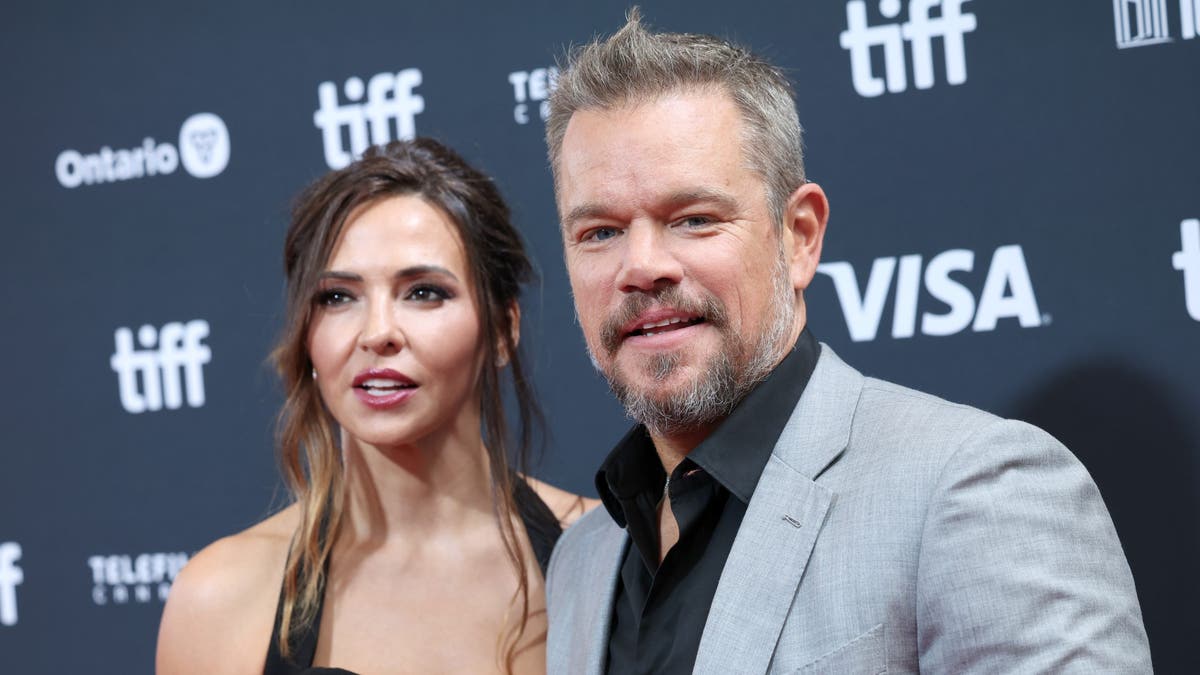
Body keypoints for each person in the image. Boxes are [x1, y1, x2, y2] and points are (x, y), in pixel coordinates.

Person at [543, 10, 1152, 674]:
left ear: (799, 237)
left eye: (693, 218)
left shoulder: (971, 488)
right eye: (599, 231)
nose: (641, 266)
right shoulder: (582, 560)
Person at [156, 138, 594, 674]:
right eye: (338, 297)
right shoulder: (219, 597)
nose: (377, 332)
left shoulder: (604, 558)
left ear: (502, 330)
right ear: (306, 335)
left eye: (424, 292)